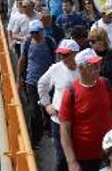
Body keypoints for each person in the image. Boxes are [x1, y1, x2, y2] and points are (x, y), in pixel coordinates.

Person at [59, 48, 112, 171]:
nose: (98, 69)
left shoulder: (105, 84)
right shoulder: (71, 92)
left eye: (99, 65)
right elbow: (65, 131)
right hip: (85, 158)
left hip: (108, 152)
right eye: (93, 66)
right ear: (81, 69)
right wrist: (71, 161)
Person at [37, 39, 80, 171]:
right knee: (62, 158)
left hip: (79, 120)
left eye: (66, 55)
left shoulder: (83, 68)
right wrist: (47, 104)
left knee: (79, 157)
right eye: (61, 55)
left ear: (75, 54)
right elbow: (42, 84)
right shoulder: (56, 68)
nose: (63, 58)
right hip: (59, 120)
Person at [17, 19, 56, 149]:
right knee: (34, 112)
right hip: (32, 82)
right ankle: (35, 140)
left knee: (49, 108)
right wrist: (19, 80)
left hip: (48, 83)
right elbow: (22, 60)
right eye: (32, 33)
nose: (35, 35)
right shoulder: (28, 43)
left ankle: (50, 131)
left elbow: (56, 60)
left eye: (37, 32)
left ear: (42, 31)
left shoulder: (50, 42)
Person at [89, 28, 112, 93]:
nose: (90, 43)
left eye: (93, 41)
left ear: (102, 41)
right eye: (89, 41)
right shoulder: (90, 55)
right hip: (98, 89)